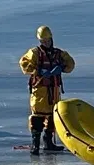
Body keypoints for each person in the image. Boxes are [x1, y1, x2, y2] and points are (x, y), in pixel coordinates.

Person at [19, 25, 74, 155]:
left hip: (54, 90)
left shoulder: (59, 54)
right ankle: (35, 144)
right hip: (40, 90)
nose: (46, 43)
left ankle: (48, 142)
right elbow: (24, 64)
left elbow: (70, 64)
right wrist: (38, 70)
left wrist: (61, 67)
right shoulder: (35, 53)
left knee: (52, 116)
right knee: (37, 116)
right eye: (43, 41)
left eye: (48, 41)